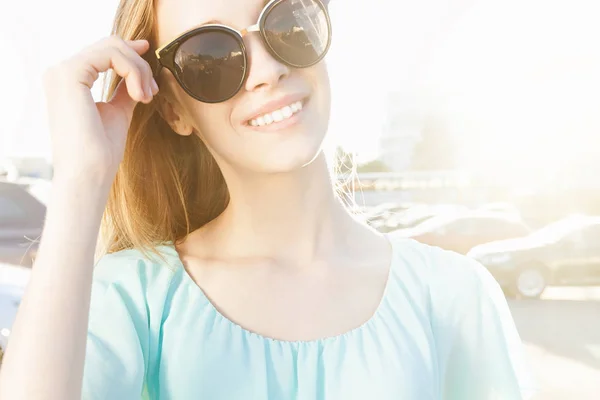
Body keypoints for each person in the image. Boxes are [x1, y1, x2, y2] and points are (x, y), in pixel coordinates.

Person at [0, 0, 536, 398]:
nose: (268, 71)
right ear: (172, 111)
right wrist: (80, 179)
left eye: (285, 22)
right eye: (209, 55)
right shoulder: (134, 298)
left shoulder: (453, 293)